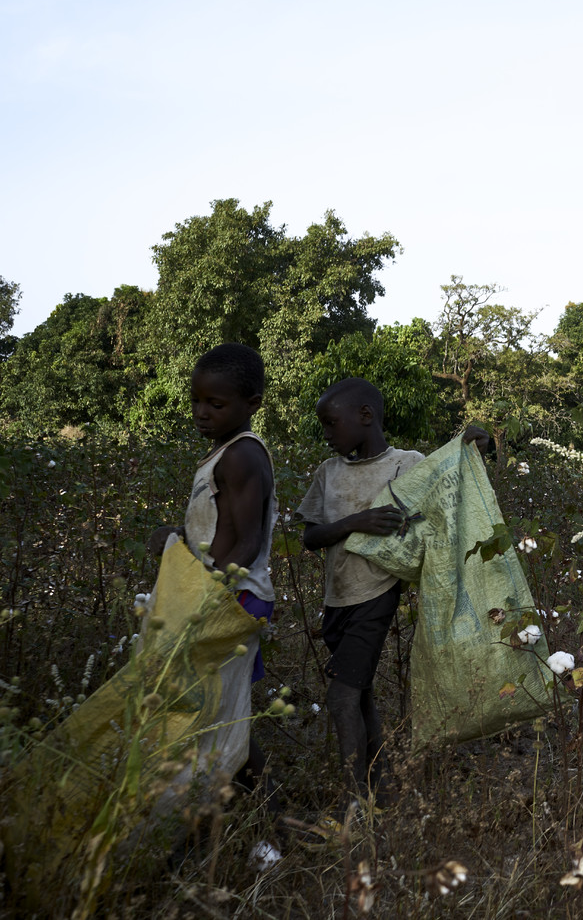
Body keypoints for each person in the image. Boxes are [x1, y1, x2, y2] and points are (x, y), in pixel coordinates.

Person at [147, 342, 278, 793]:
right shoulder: (224, 454)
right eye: (196, 401)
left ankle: (268, 811)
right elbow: (219, 530)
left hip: (233, 596)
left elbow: (247, 539)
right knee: (222, 710)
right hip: (223, 592)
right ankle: (262, 807)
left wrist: (207, 599)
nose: (202, 412)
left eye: (215, 404)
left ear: (251, 405)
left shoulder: (241, 455)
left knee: (214, 709)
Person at [295, 378, 425, 807]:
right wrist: (355, 522)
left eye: (331, 424)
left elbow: (448, 478)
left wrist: (472, 444)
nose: (327, 434)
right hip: (337, 599)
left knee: (341, 694)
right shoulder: (328, 473)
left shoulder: (405, 464)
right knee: (361, 691)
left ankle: (355, 802)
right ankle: (381, 789)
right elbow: (311, 537)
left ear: (365, 416)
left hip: (376, 594)